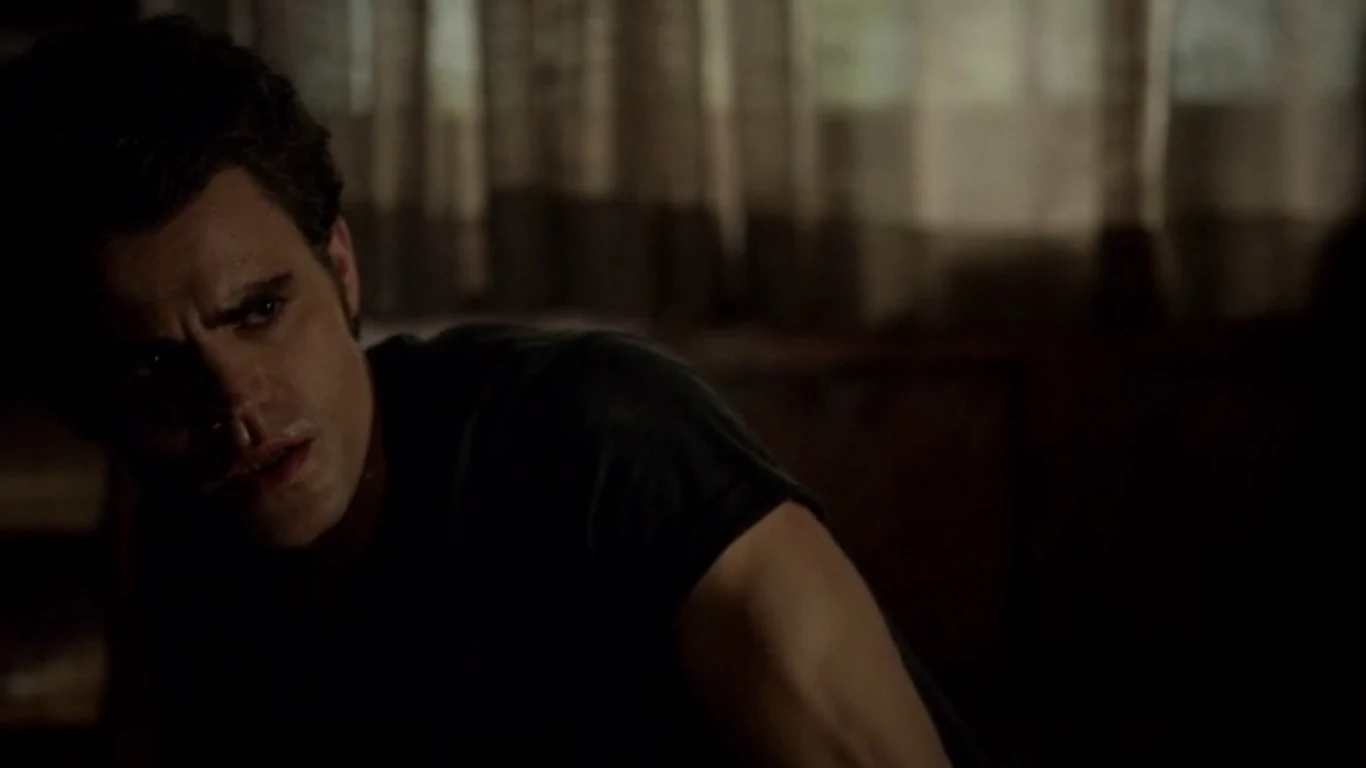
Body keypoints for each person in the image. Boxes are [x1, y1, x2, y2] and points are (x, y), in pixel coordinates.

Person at [1, 16, 981, 767]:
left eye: (259, 311)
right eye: (154, 368)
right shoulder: (185, 543)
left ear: (340, 265)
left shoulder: (609, 448)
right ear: (93, 405)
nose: (235, 404)